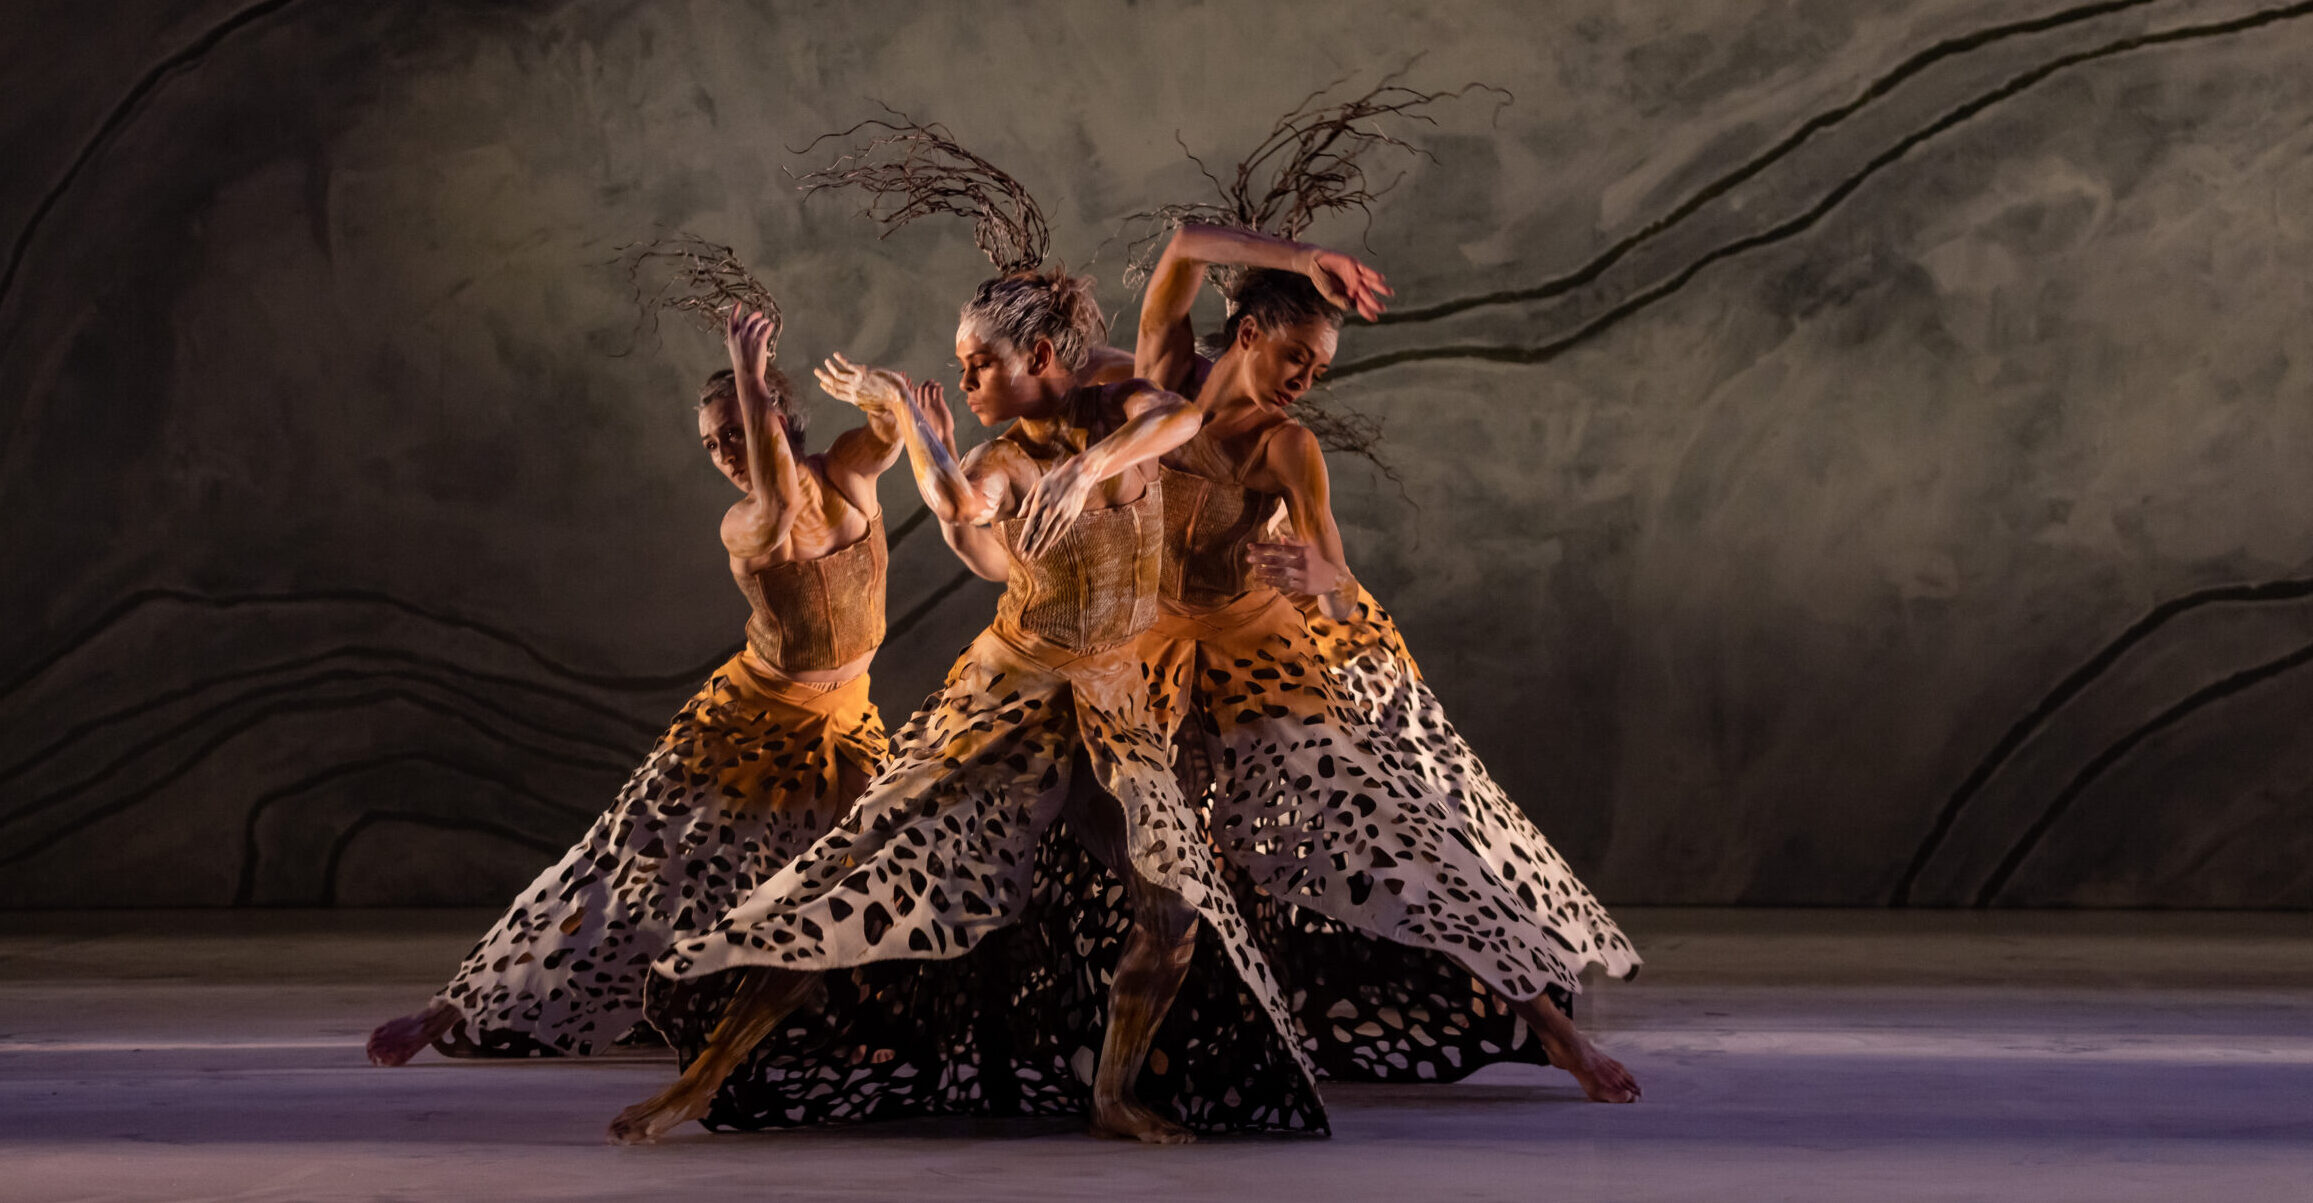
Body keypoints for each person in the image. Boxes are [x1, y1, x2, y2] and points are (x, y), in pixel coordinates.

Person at [607, 122, 1330, 1145]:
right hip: (1012, 689)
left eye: (976, 365)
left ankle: (1114, 1092)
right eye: (960, 368)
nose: (967, 381)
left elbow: (1172, 419)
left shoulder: (1122, 407)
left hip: (1117, 699)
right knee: (859, 876)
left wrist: (1089, 468)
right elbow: (964, 510)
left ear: (1038, 356)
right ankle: (705, 1075)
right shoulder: (1002, 459)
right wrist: (920, 428)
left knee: (1171, 908)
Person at [1129, 211, 1643, 1103]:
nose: (1304, 379)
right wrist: (1306, 259)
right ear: (1247, 334)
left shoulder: (1286, 445)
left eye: (1319, 369)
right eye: (1295, 356)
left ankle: (1559, 1035)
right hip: (1149, 649)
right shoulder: (1164, 376)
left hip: (1256, 652)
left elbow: (1332, 581)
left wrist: (1324, 576)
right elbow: (1183, 242)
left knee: (1394, 838)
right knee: (1120, 837)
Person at [366, 296, 900, 1065]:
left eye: (734, 431)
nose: (723, 451)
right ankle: (453, 1006)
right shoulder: (744, 522)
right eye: (711, 442)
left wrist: (876, 392)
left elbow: (891, 430)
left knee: (862, 861)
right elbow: (781, 503)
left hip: (844, 719)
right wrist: (748, 374)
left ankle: (832, 1019)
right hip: (747, 722)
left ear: (779, 418)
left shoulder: (845, 473)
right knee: (626, 858)